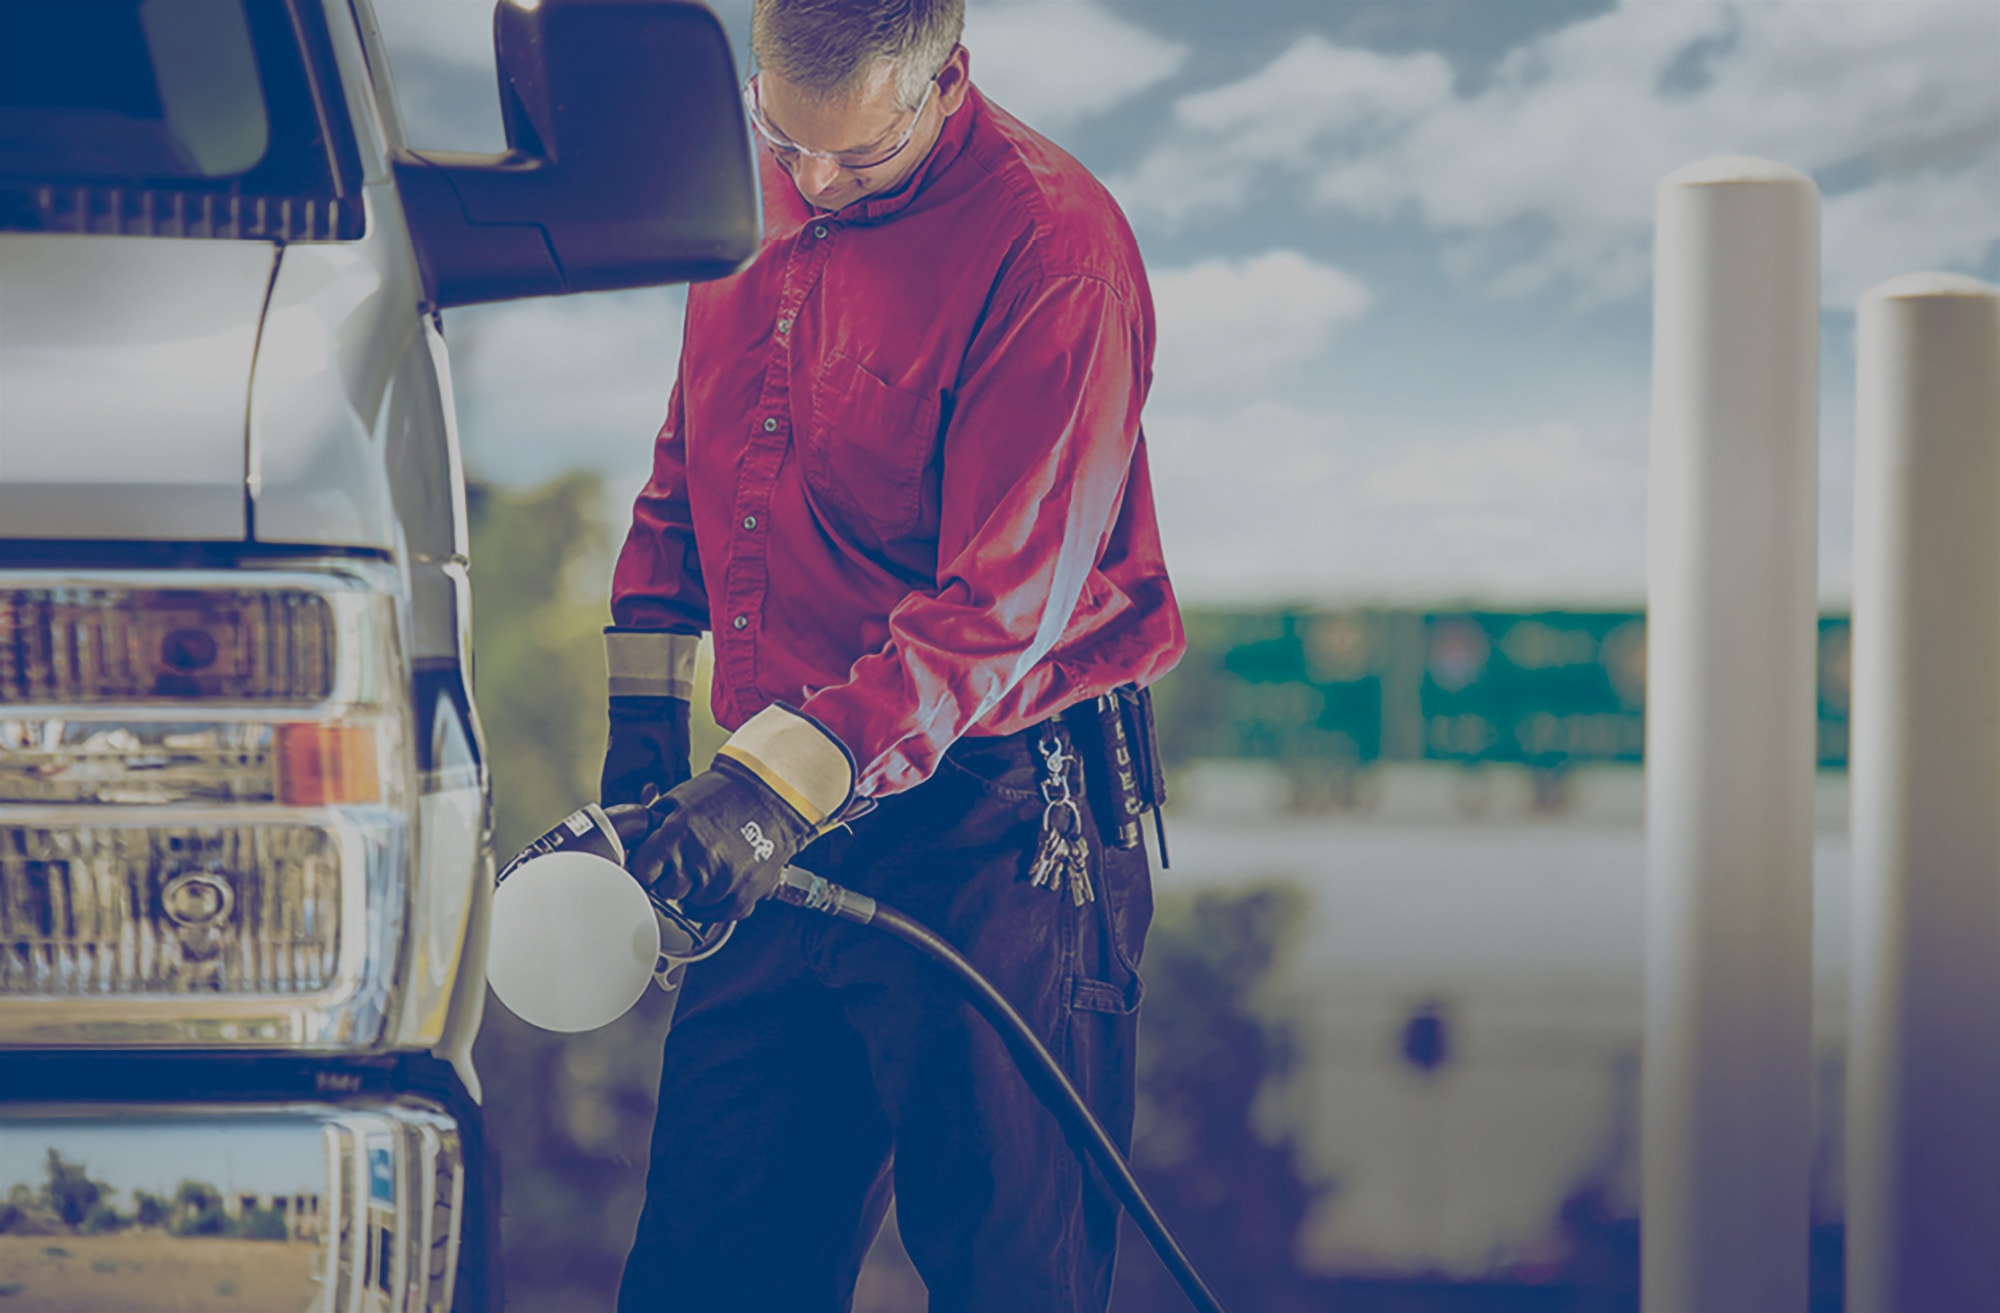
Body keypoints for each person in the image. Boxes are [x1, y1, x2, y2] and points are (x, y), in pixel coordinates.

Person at [600, 1, 1182, 1308]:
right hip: (775, 797)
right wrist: (644, 718)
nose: (810, 184)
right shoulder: (765, 182)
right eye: (781, 139)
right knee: (706, 1264)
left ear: (945, 80)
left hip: (998, 823)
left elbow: (998, 604)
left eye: (856, 161)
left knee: (1006, 1274)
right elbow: (691, 464)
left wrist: (761, 793)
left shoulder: (1053, 252)